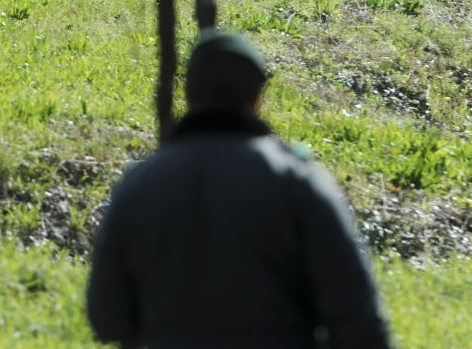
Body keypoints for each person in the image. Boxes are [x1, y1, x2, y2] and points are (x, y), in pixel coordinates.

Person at [86, 28, 392, 348]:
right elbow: (358, 320)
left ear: (188, 96)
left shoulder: (139, 185)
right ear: (258, 98)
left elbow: (107, 317)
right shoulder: (298, 182)